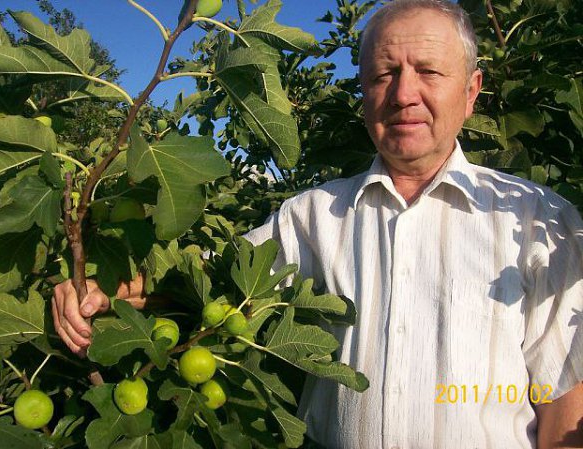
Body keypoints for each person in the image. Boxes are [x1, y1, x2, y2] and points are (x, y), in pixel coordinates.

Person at [53, 0, 583, 447]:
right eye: (383, 75)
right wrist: (106, 290)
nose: (403, 95)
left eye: (428, 71)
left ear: (471, 91)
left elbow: (563, 402)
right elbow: (210, 282)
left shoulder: (540, 223)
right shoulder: (311, 216)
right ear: (364, 95)